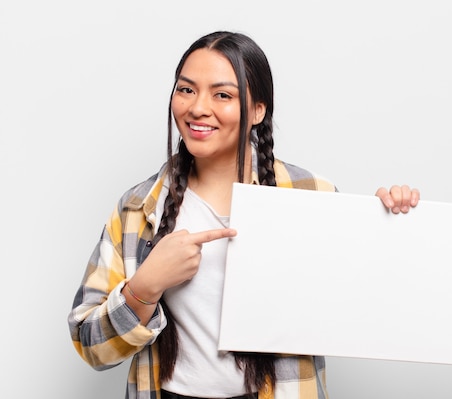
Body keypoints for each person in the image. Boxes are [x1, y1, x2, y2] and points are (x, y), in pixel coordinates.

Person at [68, 31, 420, 399]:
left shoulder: (311, 195)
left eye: (222, 94)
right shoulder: (138, 207)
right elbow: (91, 346)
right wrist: (145, 287)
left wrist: (388, 222)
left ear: (258, 110)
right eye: (186, 90)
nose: (198, 107)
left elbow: (364, 307)